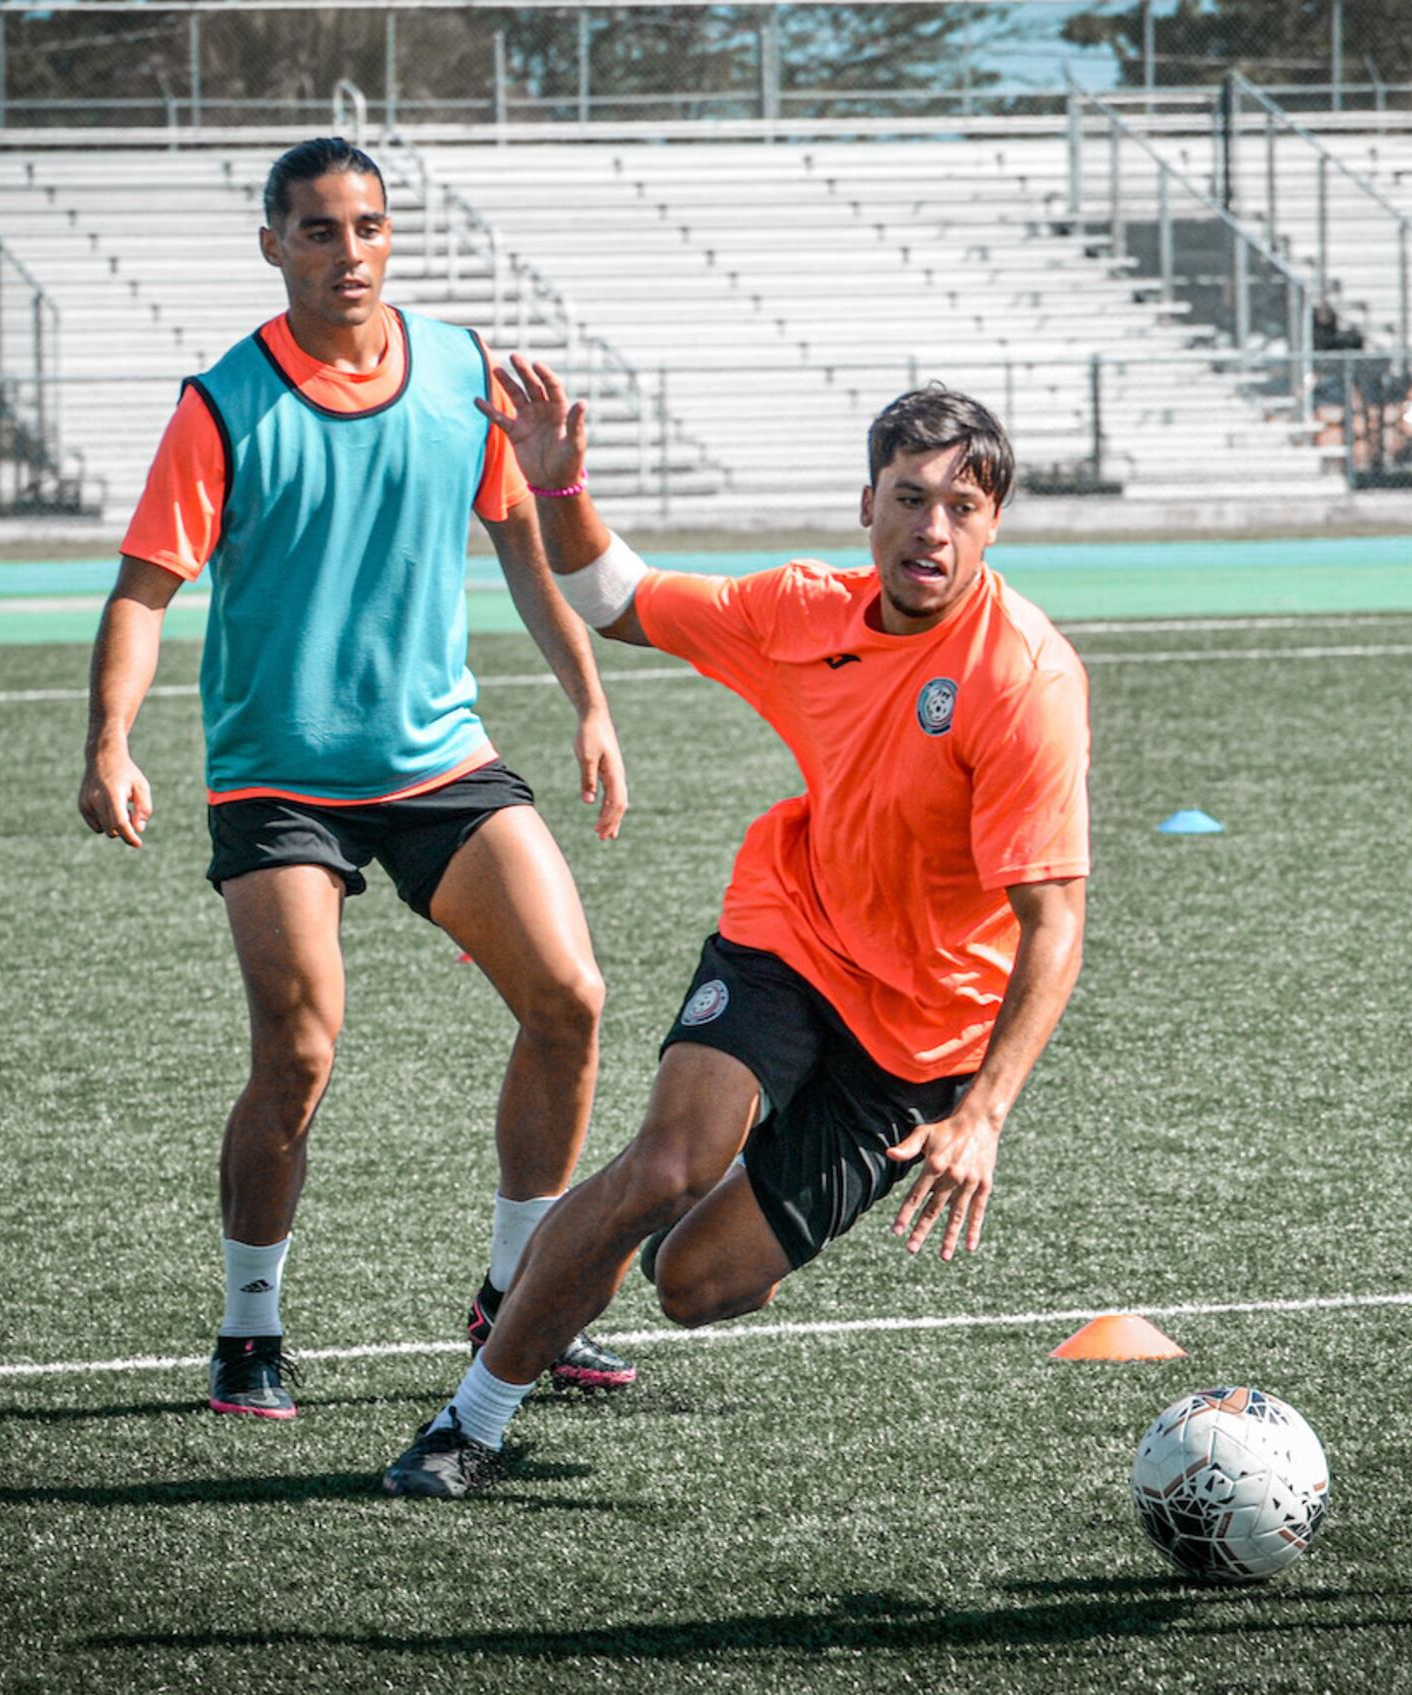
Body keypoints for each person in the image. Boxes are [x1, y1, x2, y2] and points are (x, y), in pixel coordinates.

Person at [381, 368, 1092, 1498]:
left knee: (696, 1283)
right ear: (868, 507)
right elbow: (618, 597)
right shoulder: (805, 611)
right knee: (667, 1162)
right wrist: (561, 490)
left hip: (921, 1034)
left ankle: (656, 1240)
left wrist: (984, 1115)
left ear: (993, 523)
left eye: (962, 506)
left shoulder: (1025, 682)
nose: (932, 528)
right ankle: (470, 1420)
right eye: (909, 497)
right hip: (793, 933)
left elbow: (1053, 923)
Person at [77, 138, 639, 1423]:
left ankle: (519, 1303)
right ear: (271, 245)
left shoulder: (458, 373)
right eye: (319, 231)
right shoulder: (222, 405)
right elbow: (142, 593)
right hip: (276, 777)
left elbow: (520, 548)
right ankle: (249, 1328)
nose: (349, 253)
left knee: (570, 997)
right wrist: (109, 740)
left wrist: (590, 702)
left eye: (369, 227)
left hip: (436, 760)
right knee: (300, 1050)